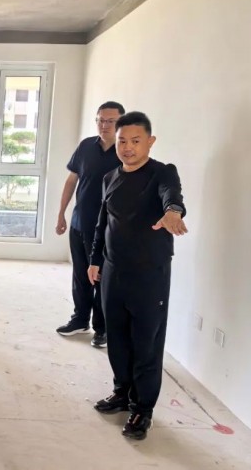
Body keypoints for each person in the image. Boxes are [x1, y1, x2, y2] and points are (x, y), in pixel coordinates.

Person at [89, 111, 187, 440]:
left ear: (150, 141)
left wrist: (173, 212)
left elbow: (172, 195)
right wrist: (95, 261)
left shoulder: (162, 172)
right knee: (117, 339)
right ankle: (122, 392)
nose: (128, 148)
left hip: (149, 275)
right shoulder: (110, 177)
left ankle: (143, 409)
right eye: (122, 141)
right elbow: (102, 223)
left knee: (146, 343)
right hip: (113, 271)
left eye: (135, 141)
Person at [55, 101, 125, 348]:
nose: (104, 125)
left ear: (121, 123)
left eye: (110, 121)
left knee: (102, 279)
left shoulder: (125, 152)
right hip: (79, 223)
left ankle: (102, 328)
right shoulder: (86, 146)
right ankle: (80, 319)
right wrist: (61, 213)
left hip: (107, 229)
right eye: (100, 120)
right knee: (80, 275)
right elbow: (71, 180)